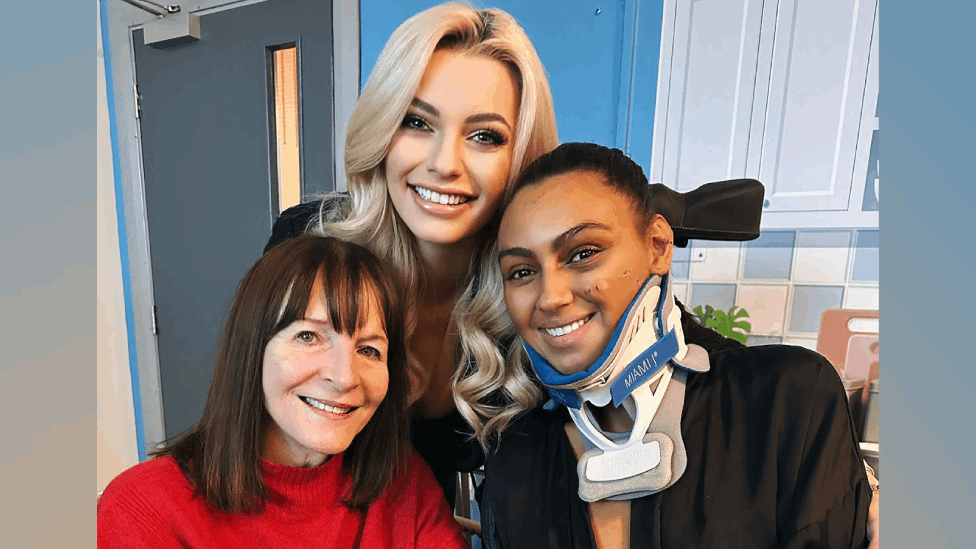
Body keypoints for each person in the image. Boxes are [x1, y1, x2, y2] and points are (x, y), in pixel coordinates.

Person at [478, 142, 872, 548]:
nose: (550, 297)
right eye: (522, 271)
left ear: (659, 245)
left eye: (583, 253)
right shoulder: (515, 458)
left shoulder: (787, 401)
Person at [265, 2, 559, 504]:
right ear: (382, 131)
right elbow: (243, 418)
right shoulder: (308, 242)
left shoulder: (539, 289)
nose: (445, 164)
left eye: (485, 136)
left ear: (521, 158)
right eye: (417, 123)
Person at [97, 235, 467, 548]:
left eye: (369, 350)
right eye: (308, 336)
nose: (344, 378)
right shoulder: (142, 510)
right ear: (252, 350)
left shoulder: (403, 485)